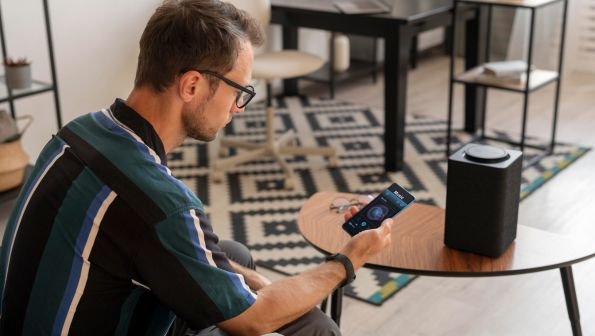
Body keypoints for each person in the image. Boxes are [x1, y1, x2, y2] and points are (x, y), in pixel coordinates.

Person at [0, 0, 394, 335]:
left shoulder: (82, 129)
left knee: (233, 254)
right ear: (191, 86)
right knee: (317, 329)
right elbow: (254, 320)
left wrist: (248, 281)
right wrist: (348, 259)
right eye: (239, 91)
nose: (239, 108)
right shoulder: (160, 202)